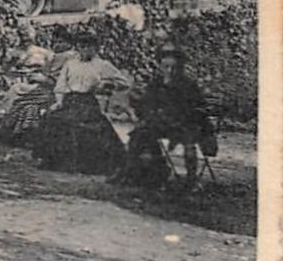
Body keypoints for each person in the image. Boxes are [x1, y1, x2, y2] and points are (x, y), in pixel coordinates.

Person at [32, 32, 129, 175]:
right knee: (52, 118)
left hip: (88, 102)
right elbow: (61, 86)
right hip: (70, 100)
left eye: (88, 47)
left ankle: (85, 163)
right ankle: (53, 160)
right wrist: (59, 102)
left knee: (81, 123)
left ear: (95, 48)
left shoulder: (103, 65)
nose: (84, 50)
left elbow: (123, 82)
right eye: (81, 47)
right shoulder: (70, 64)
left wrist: (107, 84)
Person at [123, 45, 216, 188]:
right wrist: (137, 102)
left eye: (174, 68)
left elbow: (198, 108)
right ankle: (143, 174)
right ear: (160, 66)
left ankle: (192, 179)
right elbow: (147, 104)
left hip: (186, 124)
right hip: (163, 124)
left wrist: (181, 116)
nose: (170, 71)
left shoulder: (188, 85)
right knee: (140, 134)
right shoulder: (156, 83)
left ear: (180, 68)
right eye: (166, 67)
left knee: (189, 141)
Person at [0, 47, 57, 146]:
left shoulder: (51, 67)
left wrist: (42, 79)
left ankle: (12, 126)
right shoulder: (37, 70)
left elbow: (51, 82)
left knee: (18, 92)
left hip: (49, 94)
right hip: (37, 95)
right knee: (28, 107)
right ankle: (18, 133)